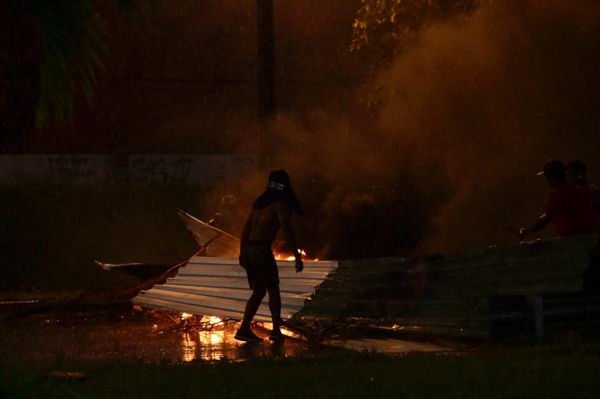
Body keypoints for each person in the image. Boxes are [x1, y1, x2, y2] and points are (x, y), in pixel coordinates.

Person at [235, 170, 304, 343]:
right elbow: (286, 230)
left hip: (250, 249)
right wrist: (296, 255)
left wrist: (243, 252)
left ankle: (244, 329)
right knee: (273, 289)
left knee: (259, 291)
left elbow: (245, 229)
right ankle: (275, 331)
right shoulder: (279, 204)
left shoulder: (259, 204)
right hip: (261, 250)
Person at [519, 160, 598, 241]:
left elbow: (546, 219)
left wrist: (527, 231)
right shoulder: (584, 191)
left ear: (551, 178)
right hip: (592, 239)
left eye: (547, 177)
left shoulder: (556, 195)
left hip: (573, 241)